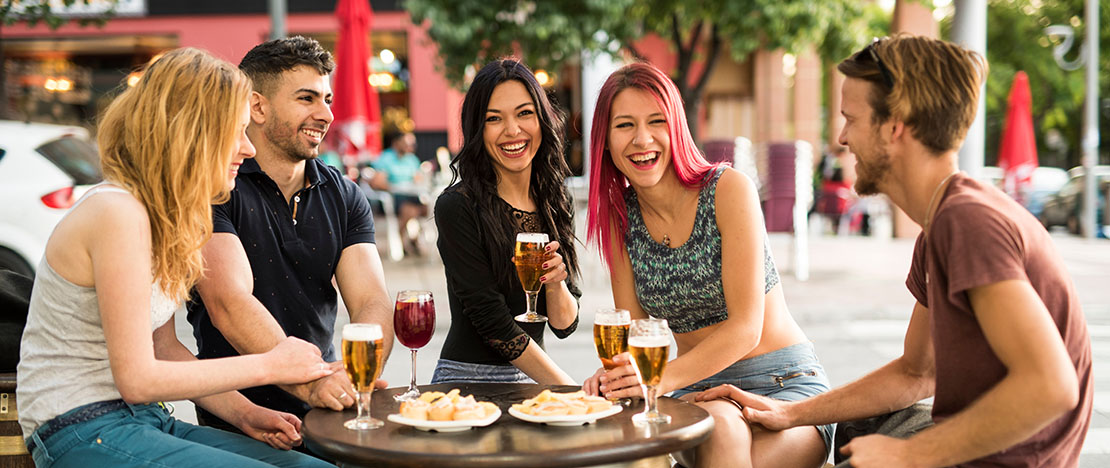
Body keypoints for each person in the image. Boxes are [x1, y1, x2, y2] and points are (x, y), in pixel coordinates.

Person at [701, 35, 1092, 468]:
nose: (842, 137)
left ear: (894, 126)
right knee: (853, 432)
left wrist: (910, 455)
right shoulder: (940, 224)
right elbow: (917, 373)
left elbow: (1051, 385)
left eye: (851, 118)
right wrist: (789, 412)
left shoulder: (967, 222)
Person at [16, 48, 334, 468]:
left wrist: (247, 413)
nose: (248, 148)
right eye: (237, 131)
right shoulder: (117, 212)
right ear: (194, 132)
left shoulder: (163, 216)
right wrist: (270, 365)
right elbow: (139, 377)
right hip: (80, 427)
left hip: (144, 420)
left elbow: (164, 348)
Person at [582, 62, 832, 468]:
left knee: (721, 436)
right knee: (719, 425)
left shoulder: (728, 190)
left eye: (656, 121)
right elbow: (635, 331)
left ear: (677, 126)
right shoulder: (619, 218)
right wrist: (616, 375)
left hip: (783, 385)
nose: (642, 139)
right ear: (606, 140)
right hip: (694, 390)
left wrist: (658, 379)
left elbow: (746, 329)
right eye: (625, 125)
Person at [186, 36, 394, 436]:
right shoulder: (217, 187)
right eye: (307, 99)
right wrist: (312, 383)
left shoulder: (344, 194)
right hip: (237, 414)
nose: (327, 114)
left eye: (327, 99)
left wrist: (357, 373)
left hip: (329, 407)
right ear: (257, 107)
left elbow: (372, 300)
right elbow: (229, 304)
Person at [432, 59, 580, 384]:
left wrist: (555, 282)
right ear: (477, 130)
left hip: (534, 379)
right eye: (493, 119)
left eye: (524, 113)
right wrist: (571, 392)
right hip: (467, 380)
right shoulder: (457, 206)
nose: (512, 130)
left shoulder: (555, 201)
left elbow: (564, 325)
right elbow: (494, 324)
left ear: (542, 120)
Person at [368, 130, 431, 256]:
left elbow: (418, 179)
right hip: (392, 196)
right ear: (396, 143)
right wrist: (395, 187)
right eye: (407, 143)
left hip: (412, 194)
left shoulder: (411, 159)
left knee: (427, 209)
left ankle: (413, 238)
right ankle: (403, 240)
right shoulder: (385, 158)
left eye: (413, 144)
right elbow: (377, 182)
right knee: (410, 210)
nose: (410, 146)